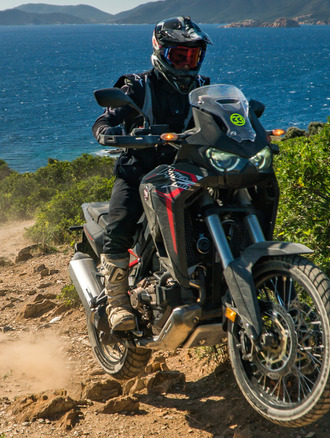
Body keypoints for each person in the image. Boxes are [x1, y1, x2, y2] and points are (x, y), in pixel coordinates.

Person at [92, 16, 212, 332]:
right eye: (179, 56)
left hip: (187, 174)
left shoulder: (204, 89)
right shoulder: (138, 85)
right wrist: (107, 129)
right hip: (138, 174)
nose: (187, 65)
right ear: (161, 52)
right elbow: (108, 117)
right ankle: (117, 301)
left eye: (193, 57)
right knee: (119, 226)